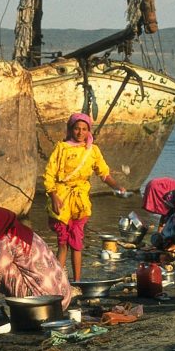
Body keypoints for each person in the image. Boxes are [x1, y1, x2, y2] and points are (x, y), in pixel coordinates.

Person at [43, 113, 126, 281]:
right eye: (77, 129)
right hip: (62, 198)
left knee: (77, 242)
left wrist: (117, 187)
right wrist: (53, 196)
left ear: (89, 131)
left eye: (84, 129)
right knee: (62, 242)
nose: (80, 133)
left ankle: (78, 281)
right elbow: (49, 174)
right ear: (70, 129)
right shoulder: (61, 148)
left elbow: (104, 173)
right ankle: (58, 282)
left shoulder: (93, 151)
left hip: (80, 201)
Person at [0, 207, 73, 309]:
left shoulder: (6, 241)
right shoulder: (25, 233)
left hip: (43, 303)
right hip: (63, 298)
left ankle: (21, 308)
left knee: (0, 267)